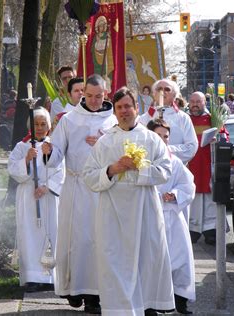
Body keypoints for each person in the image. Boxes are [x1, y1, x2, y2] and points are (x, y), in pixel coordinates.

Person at [83, 87, 175, 315]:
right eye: (120, 107)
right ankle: (119, 310)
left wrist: (139, 167)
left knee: (146, 259)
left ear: (137, 108)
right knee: (114, 263)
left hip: (144, 211)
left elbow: (165, 171)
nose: (124, 111)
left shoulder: (151, 139)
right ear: (114, 111)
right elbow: (89, 176)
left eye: (128, 106)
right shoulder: (104, 143)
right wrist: (112, 169)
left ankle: (146, 306)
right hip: (112, 213)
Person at [41, 74, 117, 314]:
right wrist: (47, 151)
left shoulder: (114, 120)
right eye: (90, 96)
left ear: (106, 94)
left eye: (99, 96)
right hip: (77, 187)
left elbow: (123, 155)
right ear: (83, 93)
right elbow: (56, 156)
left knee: (100, 241)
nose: (94, 101)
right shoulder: (70, 120)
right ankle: (73, 289)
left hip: (104, 189)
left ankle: (95, 295)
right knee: (78, 241)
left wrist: (105, 144)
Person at [7, 107, 64, 292]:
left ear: (49, 127)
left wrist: (47, 187)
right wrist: (26, 160)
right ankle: (32, 276)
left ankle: (50, 276)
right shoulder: (22, 146)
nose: (39, 128)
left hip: (49, 198)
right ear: (30, 126)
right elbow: (13, 170)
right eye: (36, 124)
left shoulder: (54, 146)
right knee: (29, 235)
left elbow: (61, 171)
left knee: (51, 233)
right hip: (28, 198)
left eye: (43, 124)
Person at [147, 118, 196, 314]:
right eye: (158, 136)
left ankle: (180, 299)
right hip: (150, 217)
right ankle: (150, 302)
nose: (162, 140)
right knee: (151, 261)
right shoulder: (142, 161)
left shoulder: (174, 162)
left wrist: (174, 195)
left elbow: (187, 185)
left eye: (166, 136)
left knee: (180, 259)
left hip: (173, 216)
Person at [187, 91, 223, 245]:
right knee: (192, 197)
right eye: (192, 101)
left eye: (198, 102)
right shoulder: (184, 120)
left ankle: (210, 230)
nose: (195, 105)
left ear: (204, 103)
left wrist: (217, 138)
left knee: (209, 198)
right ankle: (192, 229)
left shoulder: (212, 120)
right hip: (191, 164)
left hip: (208, 164)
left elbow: (224, 135)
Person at [139, 79, 198, 165]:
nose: (163, 92)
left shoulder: (183, 118)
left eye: (167, 89)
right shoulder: (144, 119)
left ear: (174, 94)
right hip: (150, 170)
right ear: (154, 94)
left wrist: (166, 150)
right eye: (159, 89)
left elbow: (191, 147)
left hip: (175, 169)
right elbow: (139, 145)